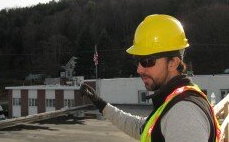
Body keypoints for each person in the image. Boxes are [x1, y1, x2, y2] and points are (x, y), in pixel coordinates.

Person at [80, 14, 221, 142]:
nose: (139, 69)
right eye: (138, 61)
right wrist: (101, 104)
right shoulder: (176, 99)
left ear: (173, 62)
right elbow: (144, 128)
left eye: (147, 61)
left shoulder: (183, 114)